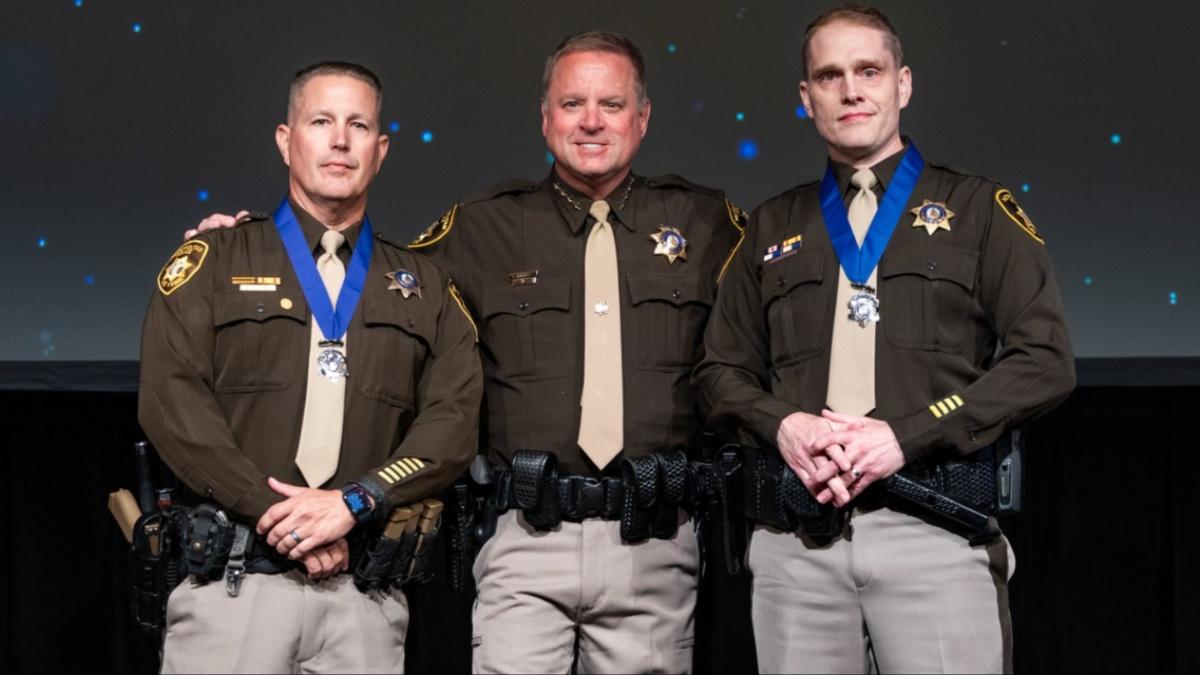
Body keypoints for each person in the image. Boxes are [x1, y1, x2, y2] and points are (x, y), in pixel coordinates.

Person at [692, 4, 1075, 673]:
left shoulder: (980, 210)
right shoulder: (770, 225)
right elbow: (720, 371)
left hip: (933, 531)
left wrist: (909, 433)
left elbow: (1044, 361)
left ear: (902, 84)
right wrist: (783, 426)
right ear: (806, 98)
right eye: (830, 75)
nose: (851, 89)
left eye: (868, 70)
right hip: (798, 546)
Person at [139, 61, 482, 673]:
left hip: (364, 599)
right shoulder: (213, 260)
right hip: (234, 586)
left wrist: (354, 502)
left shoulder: (428, 287)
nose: (340, 140)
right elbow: (172, 403)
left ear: (380, 150)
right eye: (321, 120)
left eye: (358, 125)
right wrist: (279, 517)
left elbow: (452, 425)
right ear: (285, 139)